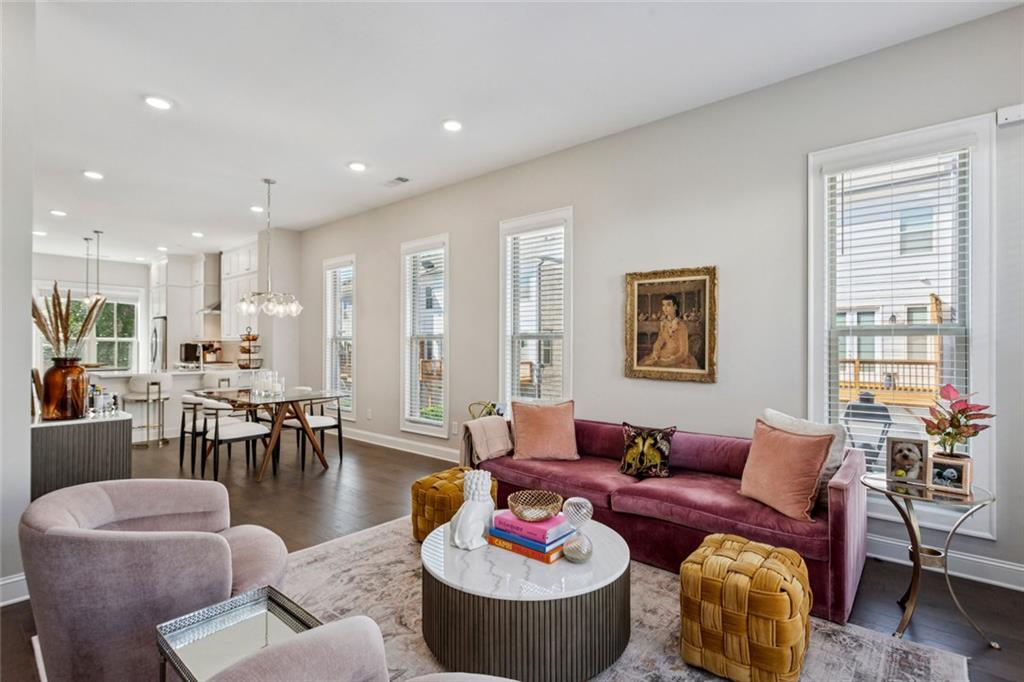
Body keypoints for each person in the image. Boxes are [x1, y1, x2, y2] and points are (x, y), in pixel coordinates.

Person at [639, 294, 699, 369]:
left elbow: (683, 352)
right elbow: (659, 341)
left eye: (668, 305)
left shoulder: (681, 326)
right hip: (664, 353)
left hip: (678, 358)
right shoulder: (664, 324)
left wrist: (667, 362)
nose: (665, 308)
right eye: (663, 305)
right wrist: (656, 351)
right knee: (646, 365)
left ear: (675, 307)